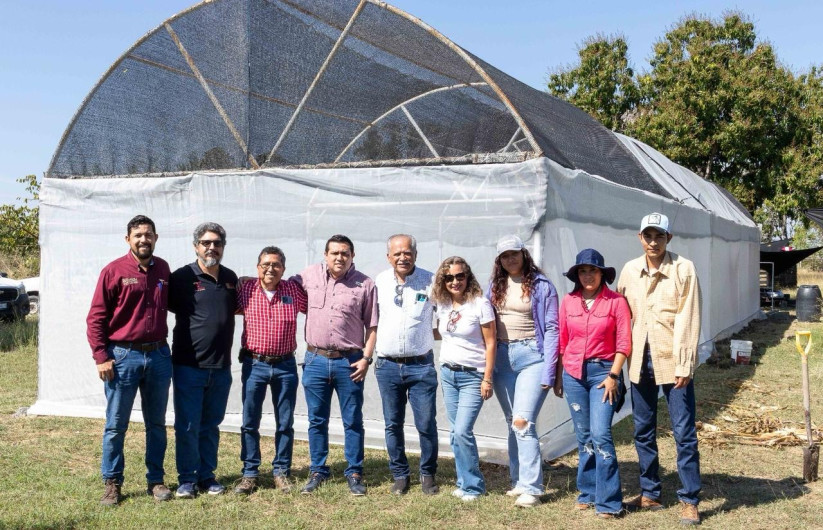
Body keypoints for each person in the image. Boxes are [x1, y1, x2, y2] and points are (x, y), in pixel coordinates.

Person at [617, 212, 702, 526]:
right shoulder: (629, 270)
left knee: (683, 432)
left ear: (669, 238)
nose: (653, 242)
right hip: (640, 361)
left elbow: (689, 318)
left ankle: (689, 499)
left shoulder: (683, 268)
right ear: (640, 237)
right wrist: (618, 363)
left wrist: (684, 363)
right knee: (643, 430)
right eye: (648, 236)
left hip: (672, 360)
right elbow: (621, 317)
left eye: (659, 236)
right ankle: (650, 492)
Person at [87, 214, 173, 506]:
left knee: (157, 423)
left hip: (159, 355)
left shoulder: (163, 269)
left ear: (156, 238)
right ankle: (112, 483)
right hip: (123, 357)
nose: (143, 240)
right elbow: (96, 318)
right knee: (116, 425)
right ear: (128, 239)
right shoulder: (113, 271)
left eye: (148, 235)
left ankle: (156, 480)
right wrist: (101, 356)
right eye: (138, 235)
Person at [292, 235, 378, 496]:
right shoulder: (307, 276)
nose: (340, 257)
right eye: (334, 253)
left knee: (352, 420)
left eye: (345, 253)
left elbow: (372, 325)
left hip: (350, 362)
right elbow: (279, 285)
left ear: (352, 256)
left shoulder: (365, 284)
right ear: (325, 254)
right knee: (316, 419)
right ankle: (318, 469)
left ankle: (354, 472)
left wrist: (366, 358)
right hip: (315, 360)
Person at [556, 248, 631, 519]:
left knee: (600, 434)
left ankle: (609, 501)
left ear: (602, 274)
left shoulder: (616, 302)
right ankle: (587, 491)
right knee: (583, 434)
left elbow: (624, 343)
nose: (588, 276)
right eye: (583, 271)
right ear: (577, 275)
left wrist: (614, 376)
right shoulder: (569, 301)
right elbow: (563, 342)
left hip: (603, 375)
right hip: (574, 374)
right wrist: (558, 376)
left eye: (593, 271)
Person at [486, 234, 559, 508]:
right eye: (505, 256)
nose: (510, 259)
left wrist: (550, 369)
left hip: (532, 357)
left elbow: (552, 328)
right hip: (503, 359)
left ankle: (532, 488)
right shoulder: (494, 286)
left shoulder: (542, 286)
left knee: (522, 422)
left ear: (524, 254)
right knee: (512, 421)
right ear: (499, 260)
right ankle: (519, 480)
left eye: (514, 254)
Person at [168, 222, 237, 498]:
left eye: (217, 243)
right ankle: (187, 479)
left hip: (221, 367)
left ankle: (207, 476)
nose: (212, 248)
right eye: (206, 243)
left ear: (223, 247)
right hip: (189, 366)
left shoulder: (230, 278)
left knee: (210, 425)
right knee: (187, 425)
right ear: (196, 246)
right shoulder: (182, 277)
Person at [234, 246, 307, 495]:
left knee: (285, 422)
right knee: (249, 421)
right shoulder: (246, 289)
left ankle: (281, 471)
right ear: (257, 267)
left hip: (285, 366)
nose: (270, 269)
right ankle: (250, 472)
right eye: (265, 264)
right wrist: (241, 279)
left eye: (276, 265)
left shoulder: (293, 290)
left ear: (283, 269)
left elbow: (314, 302)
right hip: (254, 364)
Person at [374, 234, 439, 495]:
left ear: (415, 254)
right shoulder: (379, 282)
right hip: (388, 366)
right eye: (397, 253)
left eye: (407, 252)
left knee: (426, 423)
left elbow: (447, 314)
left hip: (421, 366)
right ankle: (400, 474)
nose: (403, 257)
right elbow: (371, 320)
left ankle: (428, 474)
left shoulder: (431, 281)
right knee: (393, 423)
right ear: (388, 257)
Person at [432, 256, 496, 502]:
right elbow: (442, 333)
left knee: (462, 430)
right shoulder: (443, 304)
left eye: (460, 276)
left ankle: (474, 486)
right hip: (448, 373)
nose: (455, 281)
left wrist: (487, 378)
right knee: (454, 432)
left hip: (473, 375)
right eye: (449, 278)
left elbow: (491, 343)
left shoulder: (480, 304)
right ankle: (463, 481)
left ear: (468, 277)